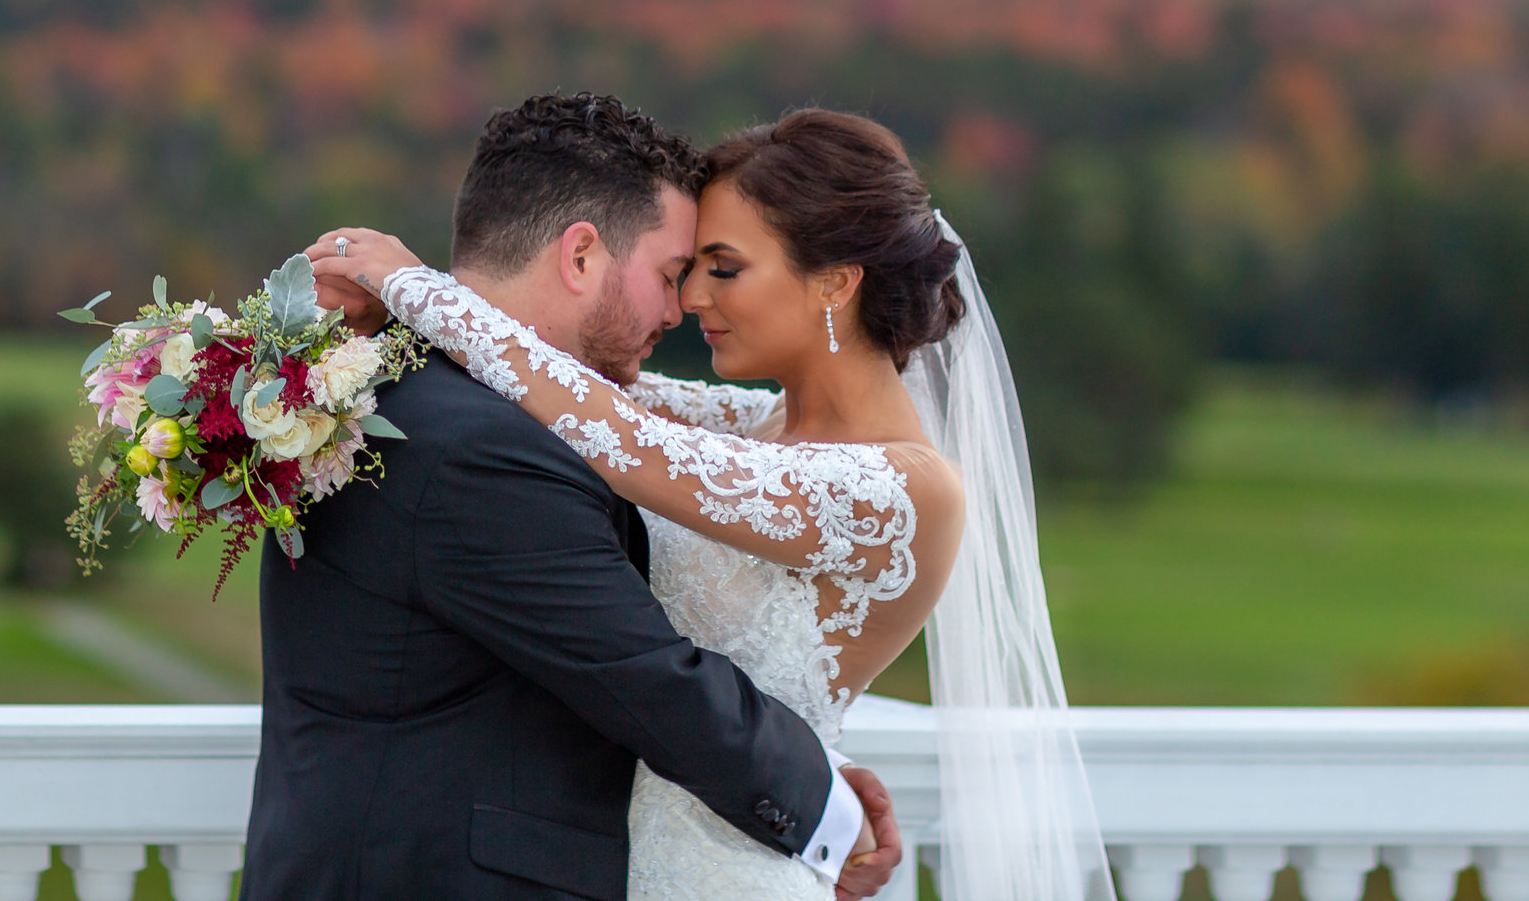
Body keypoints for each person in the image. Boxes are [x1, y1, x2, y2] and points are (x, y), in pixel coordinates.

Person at [313, 107, 1024, 901]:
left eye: (722, 269)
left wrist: (414, 285)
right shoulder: (751, 423)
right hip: (625, 852)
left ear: (834, 280)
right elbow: (568, 376)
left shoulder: (906, 488)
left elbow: (612, 428)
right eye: (685, 270)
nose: (689, 300)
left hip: (727, 873)